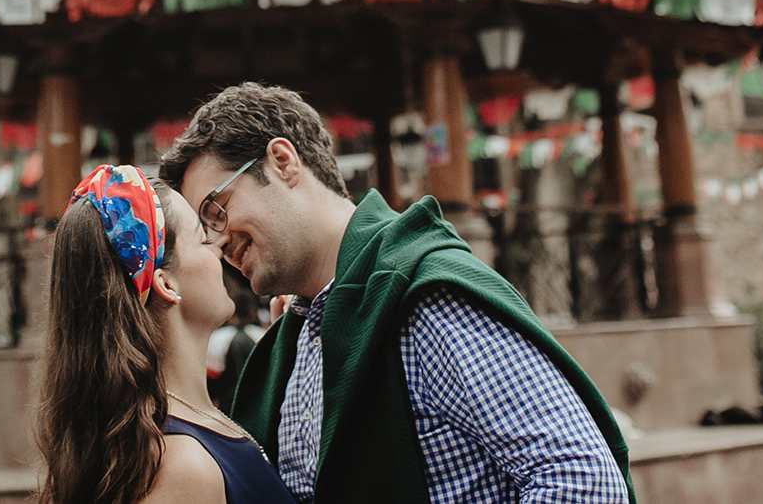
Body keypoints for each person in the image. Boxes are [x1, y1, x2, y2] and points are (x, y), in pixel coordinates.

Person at [161, 83, 631, 504]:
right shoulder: (295, 336)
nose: (216, 240)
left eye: (216, 209)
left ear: (283, 162)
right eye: (204, 229)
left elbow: (582, 480)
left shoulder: (427, 303)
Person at [35, 163, 296, 504]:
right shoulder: (185, 470)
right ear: (166, 284)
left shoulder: (186, 430)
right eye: (203, 239)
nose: (219, 248)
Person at [206, 269, 263, 417]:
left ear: (232, 311)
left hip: (227, 408)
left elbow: (211, 380)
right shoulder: (264, 336)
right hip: (260, 407)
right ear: (254, 313)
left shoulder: (218, 338)